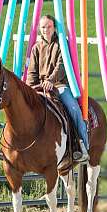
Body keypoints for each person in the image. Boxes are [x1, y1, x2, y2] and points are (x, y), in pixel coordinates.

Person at [26, 14, 89, 162]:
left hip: (59, 85)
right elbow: (32, 72)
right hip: (41, 87)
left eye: (48, 26)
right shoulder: (36, 48)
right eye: (43, 27)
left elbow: (61, 67)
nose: (45, 29)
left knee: (73, 109)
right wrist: (29, 88)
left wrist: (50, 81)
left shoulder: (62, 44)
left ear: (54, 28)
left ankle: (83, 146)